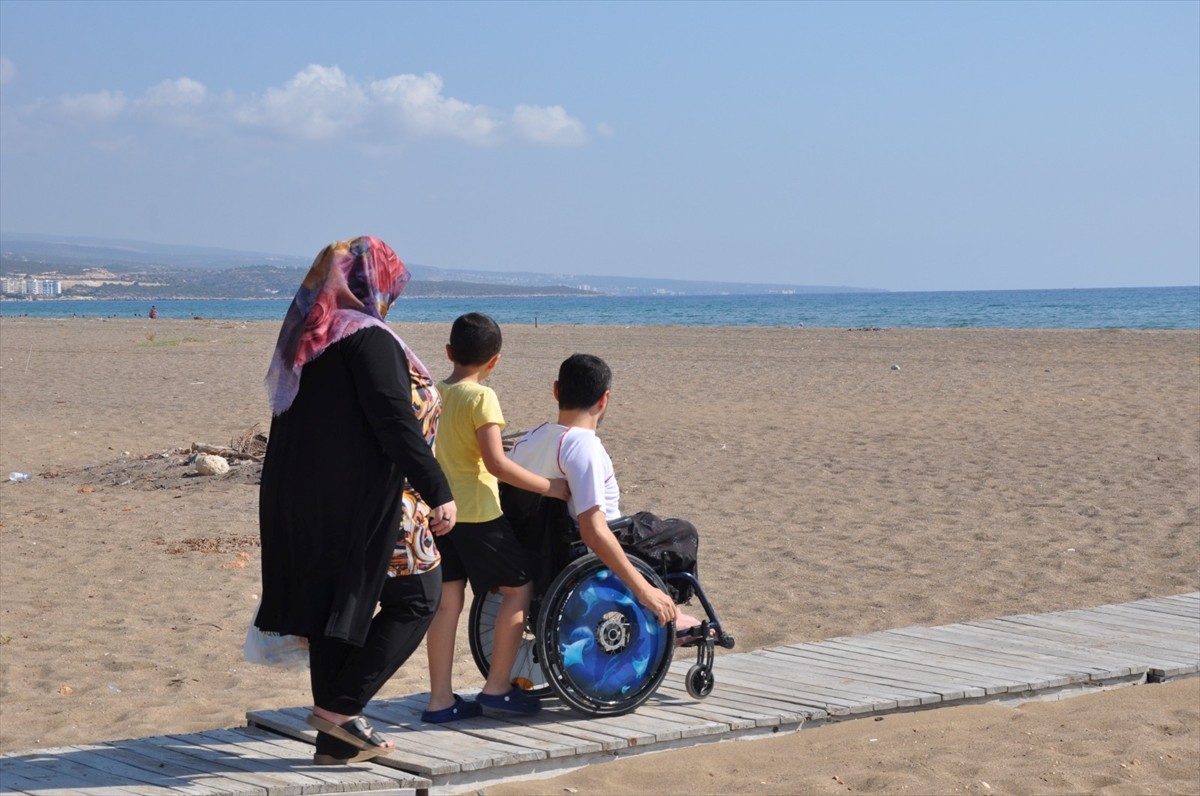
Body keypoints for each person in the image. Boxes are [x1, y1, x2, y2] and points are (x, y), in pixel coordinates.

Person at [256, 237, 457, 764]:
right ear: (372, 285)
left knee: (335, 610)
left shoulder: (312, 339)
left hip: (313, 501)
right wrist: (439, 490)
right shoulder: (368, 339)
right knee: (419, 597)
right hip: (378, 499)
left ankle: (334, 744)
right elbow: (394, 423)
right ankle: (338, 710)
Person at [421, 313, 569, 722]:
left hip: (439, 511)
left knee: (447, 604)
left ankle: (439, 701)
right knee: (518, 588)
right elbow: (497, 464)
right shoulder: (481, 397)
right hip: (478, 513)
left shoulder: (434, 392)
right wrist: (549, 487)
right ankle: (497, 688)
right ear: (495, 361)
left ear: (449, 352)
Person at [508, 353, 678, 628]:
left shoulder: (528, 441)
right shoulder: (583, 447)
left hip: (538, 551)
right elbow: (594, 531)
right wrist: (645, 590)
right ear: (604, 399)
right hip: (588, 548)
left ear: (556, 390)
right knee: (680, 534)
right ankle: (670, 616)